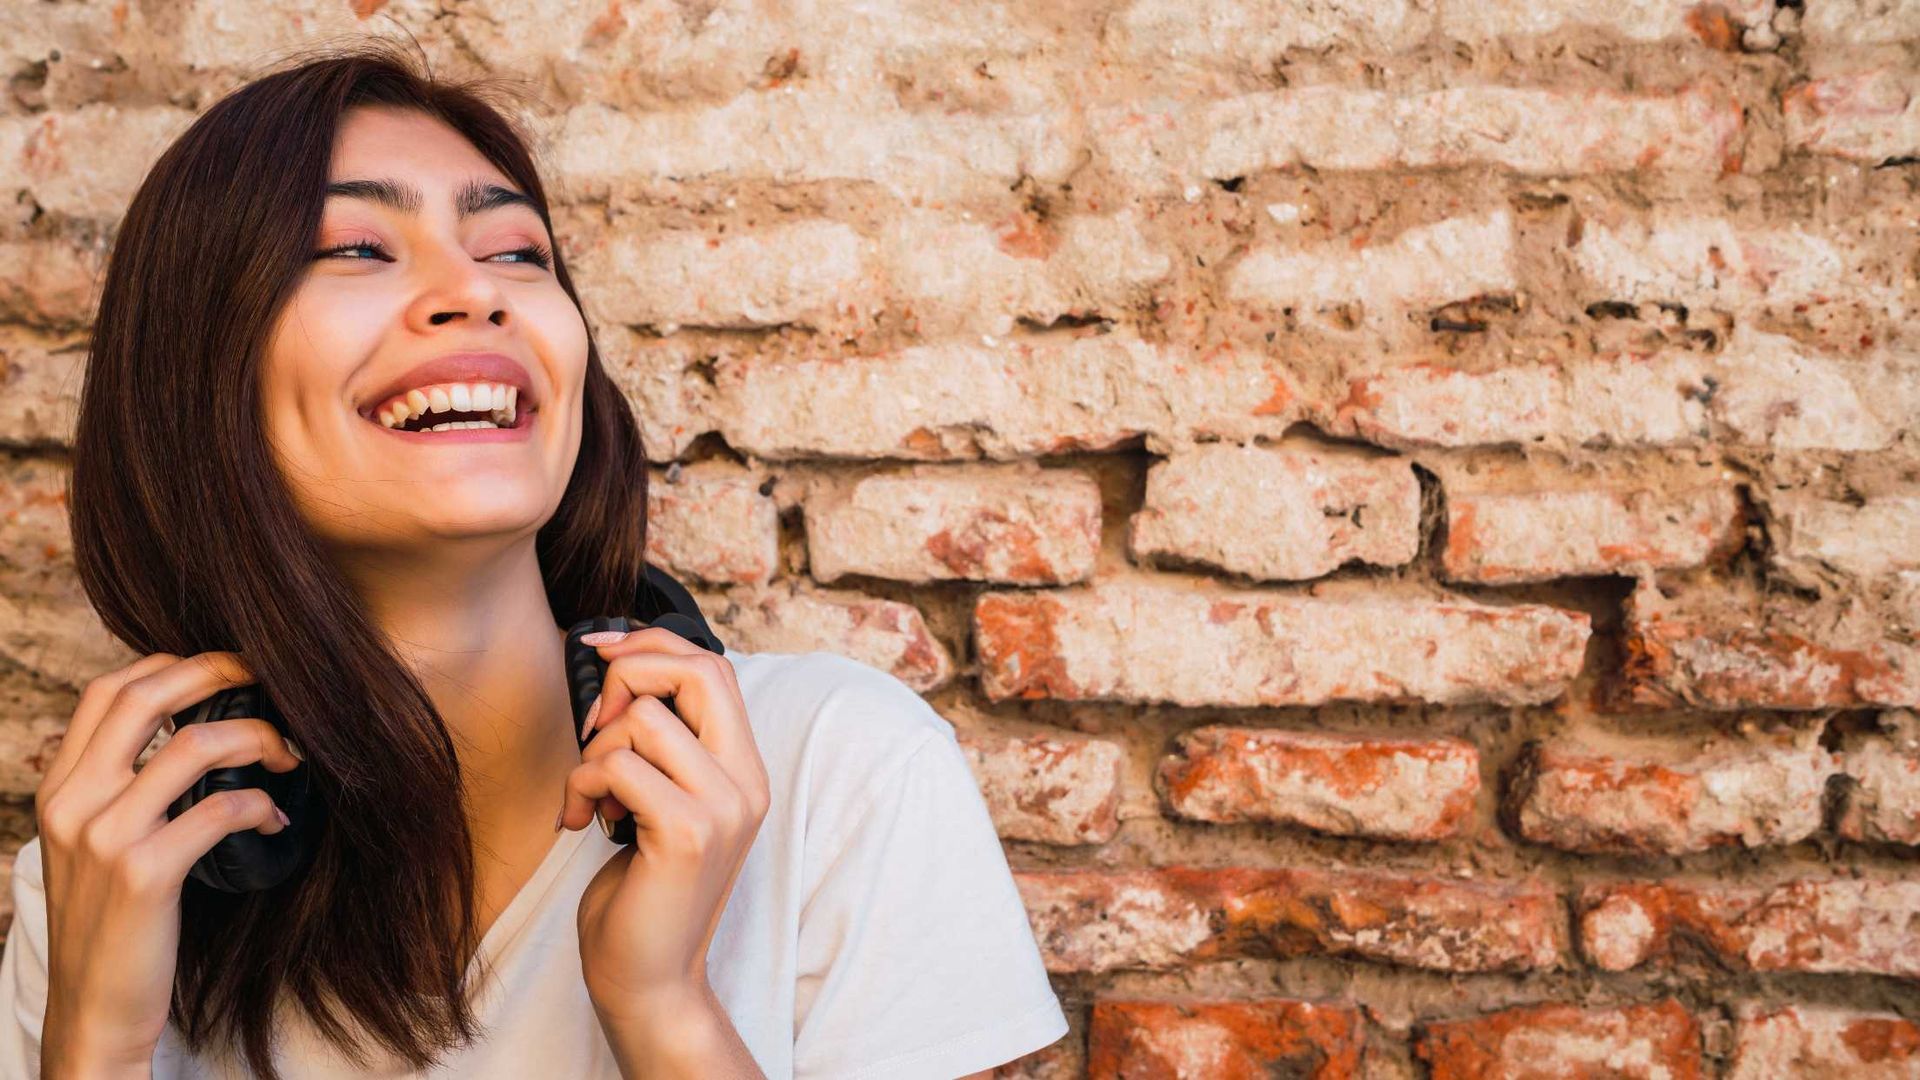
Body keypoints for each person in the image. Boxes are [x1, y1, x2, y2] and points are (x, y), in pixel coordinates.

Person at [0, 38, 1068, 1080]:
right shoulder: (108, 869)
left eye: (516, 252)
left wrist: (664, 1007)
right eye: (358, 249)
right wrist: (94, 1046)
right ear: (197, 377)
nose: (479, 292)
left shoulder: (837, 769)